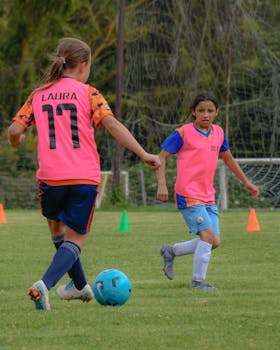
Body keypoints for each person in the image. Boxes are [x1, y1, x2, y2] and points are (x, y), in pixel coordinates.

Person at [8, 37, 161, 310]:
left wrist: (16, 142)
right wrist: (143, 153)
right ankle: (45, 284)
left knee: (58, 230)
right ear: (83, 66)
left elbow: (14, 131)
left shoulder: (38, 94)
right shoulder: (88, 92)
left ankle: (78, 286)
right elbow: (112, 125)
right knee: (76, 238)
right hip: (83, 177)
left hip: (50, 178)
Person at [156, 91, 259, 290]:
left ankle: (171, 251)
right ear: (193, 112)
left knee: (215, 241)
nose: (205, 114)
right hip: (188, 194)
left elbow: (228, 159)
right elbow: (160, 157)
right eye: (201, 110)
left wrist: (246, 182)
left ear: (216, 113)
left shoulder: (219, 133)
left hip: (208, 195)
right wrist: (162, 184)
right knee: (207, 237)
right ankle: (197, 281)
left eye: (210, 111)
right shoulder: (183, 133)